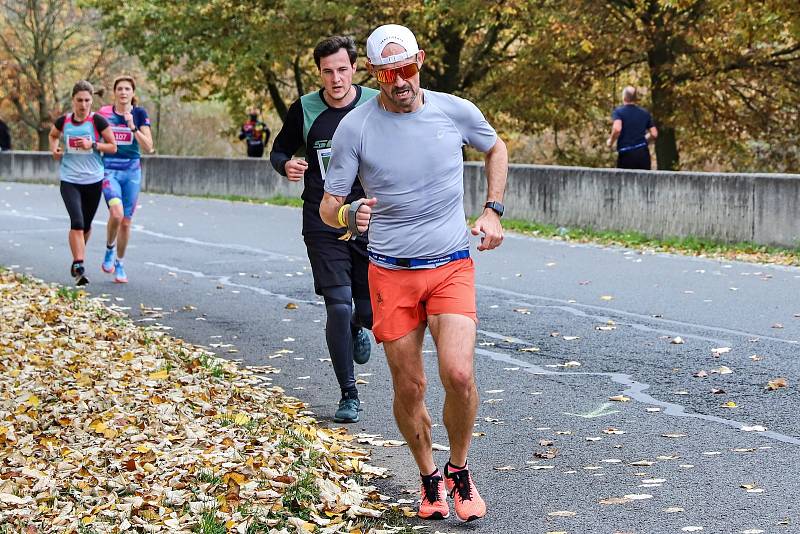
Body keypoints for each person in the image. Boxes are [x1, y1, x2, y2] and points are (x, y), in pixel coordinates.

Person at [320, 24, 508, 522]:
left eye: (405, 68)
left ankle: (459, 470)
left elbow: (496, 148)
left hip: (450, 265)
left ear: (420, 60)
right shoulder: (355, 127)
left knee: (460, 374)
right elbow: (328, 206)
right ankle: (428, 477)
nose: (399, 81)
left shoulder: (454, 110)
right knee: (410, 388)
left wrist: (493, 211)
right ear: (373, 74)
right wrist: (349, 214)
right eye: (386, 73)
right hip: (391, 272)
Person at [270, 36, 378, 424]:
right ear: (319, 72)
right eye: (328, 71)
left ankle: (356, 326)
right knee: (337, 303)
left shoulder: (374, 103)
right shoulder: (305, 108)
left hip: (367, 217)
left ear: (355, 69)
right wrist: (287, 166)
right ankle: (349, 394)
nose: (335, 79)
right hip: (322, 217)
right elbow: (279, 150)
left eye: (343, 70)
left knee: (366, 312)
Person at [48, 80, 117, 286]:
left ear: (91, 100)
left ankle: (77, 257)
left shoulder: (98, 122)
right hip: (70, 180)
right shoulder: (64, 121)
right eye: (80, 100)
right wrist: (54, 150)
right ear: (73, 100)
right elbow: (53, 136)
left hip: (93, 180)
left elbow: (113, 147)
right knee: (76, 222)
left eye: (87, 100)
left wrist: (94, 144)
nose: (84, 104)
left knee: (86, 226)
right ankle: (79, 264)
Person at [98, 75, 154, 283]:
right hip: (109, 170)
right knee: (116, 212)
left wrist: (132, 127)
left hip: (131, 171)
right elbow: (92, 133)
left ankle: (120, 263)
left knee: (126, 223)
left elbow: (149, 147)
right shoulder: (103, 113)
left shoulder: (139, 114)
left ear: (133, 93)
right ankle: (109, 249)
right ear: (115, 92)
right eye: (119, 89)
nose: (123, 92)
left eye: (127, 89)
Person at [607, 85, 658, 170]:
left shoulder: (619, 112)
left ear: (624, 97)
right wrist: (645, 139)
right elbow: (654, 133)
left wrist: (610, 142)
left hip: (626, 153)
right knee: (644, 182)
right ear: (635, 99)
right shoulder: (644, 113)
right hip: (643, 154)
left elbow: (617, 129)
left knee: (625, 182)